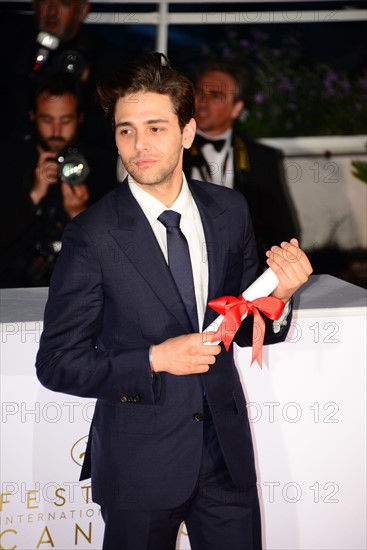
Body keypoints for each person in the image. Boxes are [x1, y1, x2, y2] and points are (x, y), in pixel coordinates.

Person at [35, 52, 312, 550]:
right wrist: (156, 359)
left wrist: (282, 294)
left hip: (225, 458)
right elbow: (56, 364)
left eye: (156, 128)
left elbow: (248, 319)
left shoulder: (229, 210)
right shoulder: (91, 235)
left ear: (187, 131)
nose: (138, 146)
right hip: (138, 463)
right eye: (125, 130)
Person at [0, 72, 118, 288]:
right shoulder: (9, 163)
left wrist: (79, 213)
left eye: (66, 120)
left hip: (78, 294)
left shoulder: (101, 166)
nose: (56, 131)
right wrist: (33, 196)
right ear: (32, 116)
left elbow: (116, 256)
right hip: (11, 294)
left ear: (80, 118)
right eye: (47, 119)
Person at [183, 61, 301, 269]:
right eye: (199, 93)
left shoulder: (262, 158)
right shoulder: (170, 150)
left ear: (236, 108)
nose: (202, 102)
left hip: (242, 270)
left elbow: (282, 228)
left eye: (216, 96)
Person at [0, 0, 122, 150]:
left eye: (64, 3)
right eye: (45, 2)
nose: (52, 11)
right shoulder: (11, 51)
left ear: (83, 10)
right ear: (34, 5)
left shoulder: (108, 62)